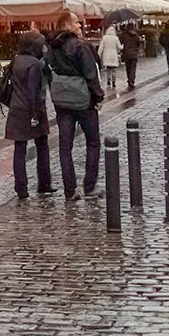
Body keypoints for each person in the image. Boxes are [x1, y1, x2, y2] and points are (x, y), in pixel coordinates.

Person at [47, 13, 105, 200]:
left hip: (62, 102)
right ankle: (89, 186)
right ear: (67, 25)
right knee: (93, 142)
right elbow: (90, 74)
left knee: (65, 147)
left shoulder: (52, 48)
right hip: (83, 102)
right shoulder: (80, 46)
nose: (79, 25)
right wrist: (98, 97)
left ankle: (69, 190)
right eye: (76, 23)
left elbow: (48, 72)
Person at [3, 33, 53, 199]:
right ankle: (44, 183)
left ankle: (21, 188)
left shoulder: (16, 60)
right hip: (30, 109)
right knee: (42, 145)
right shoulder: (34, 64)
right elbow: (33, 91)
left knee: (20, 149)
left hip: (16, 108)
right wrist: (36, 114)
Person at [118, 21, 143, 92]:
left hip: (126, 54)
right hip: (134, 54)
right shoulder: (136, 35)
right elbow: (138, 43)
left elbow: (120, 43)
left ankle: (129, 80)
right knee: (133, 68)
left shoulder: (124, 35)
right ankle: (131, 80)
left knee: (128, 68)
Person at [99, 24, 123, 94]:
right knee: (114, 69)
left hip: (106, 55)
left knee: (108, 69)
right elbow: (119, 47)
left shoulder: (104, 38)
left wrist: (98, 55)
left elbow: (101, 47)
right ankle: (114, 81)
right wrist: (123, 46)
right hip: (113, 55)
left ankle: (108, 80)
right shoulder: (116, 38)